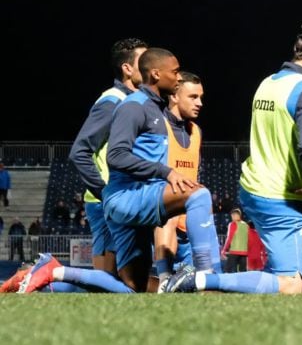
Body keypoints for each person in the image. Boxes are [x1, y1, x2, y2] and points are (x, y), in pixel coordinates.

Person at [20, 49, 221, 294]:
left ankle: (52, 275)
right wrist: (166, 172)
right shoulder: (134, 106)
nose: (178, 78)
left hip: (135, 199)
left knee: (134, 286)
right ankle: (206, 279)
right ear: (156, 74)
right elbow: (116, 155)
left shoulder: (155, 109)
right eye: (175, 72)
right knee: (198, 195)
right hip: (127, 198)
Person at [165, 24, 302, 294]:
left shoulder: (268, 83)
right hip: (281, 197)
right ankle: (199, 280)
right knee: (292, 284)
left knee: (277, 277)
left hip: (252, 189)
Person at [69, 38, 146, 274]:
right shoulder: (112, 101)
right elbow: (79, 152)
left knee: (123, 280)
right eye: (143, 61)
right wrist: (105, 193)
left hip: (125, 198)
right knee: (107, 281)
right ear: (127, 68)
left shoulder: (137, 100)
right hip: (107, 199)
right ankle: (50, 275)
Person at [153, 71, 213, 288]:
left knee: (206, 286)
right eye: (193, 97)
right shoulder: (157, 126)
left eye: (201, 97)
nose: (200, 103)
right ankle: (163, 278)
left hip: (189, 223)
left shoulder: (196, 131)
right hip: (164, 222)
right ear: (175, 96)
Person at [221, 209, 249, 273]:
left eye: (233, 215)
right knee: (243, 272)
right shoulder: (246, 225)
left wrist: (224, 250)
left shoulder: (232, 224)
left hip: (234, 252)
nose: (232, 217)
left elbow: (229, 238)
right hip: (244, 253)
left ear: (238, 215)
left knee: (228, 271)